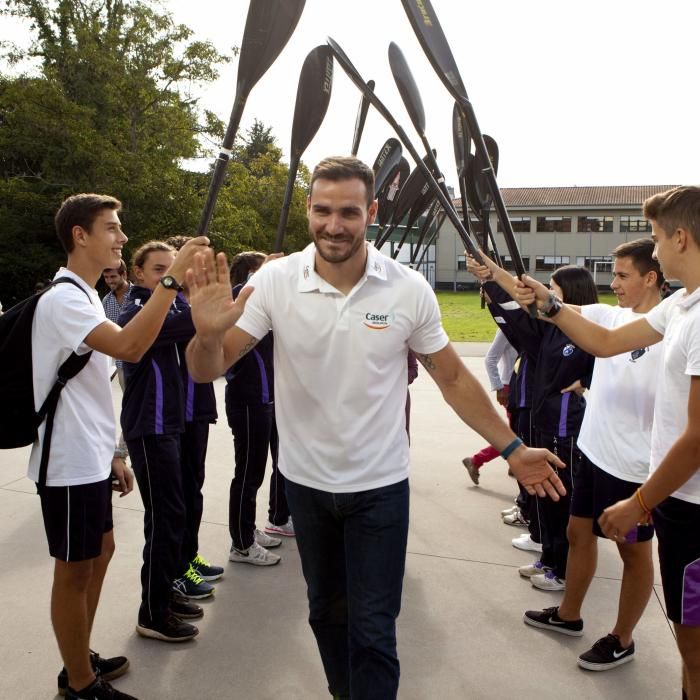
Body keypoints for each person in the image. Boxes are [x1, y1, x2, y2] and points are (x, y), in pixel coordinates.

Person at [185, 156, 566, 699]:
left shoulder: (406, 288)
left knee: (372, 629)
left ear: (372, 211)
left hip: (380, 488)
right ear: (308, 209)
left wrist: (511, 448)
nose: (333, 225)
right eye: (322, 210)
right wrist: (204, 333)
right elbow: (207, 368)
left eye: (348, 211)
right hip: (306, 485)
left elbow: (452, 376)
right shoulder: (275, 281)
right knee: (326, 617)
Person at [513, 186, 700, 700]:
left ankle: (626, 640)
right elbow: (608, 341)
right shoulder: (683, 306)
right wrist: (549, 303)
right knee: (689, 638)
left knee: (695, 642)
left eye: (659, 239)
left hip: (686, 504)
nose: (655, 248)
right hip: (669, 496)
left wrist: (639, 501)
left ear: (680, 238)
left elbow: (698, 438)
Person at [32, 193, 206, 700]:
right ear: (79, 236)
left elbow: (93, 386)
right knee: (74, 570)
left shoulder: (86, 296)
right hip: (64, 460)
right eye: (111, 228)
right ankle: (80, 684)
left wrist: (112, 452)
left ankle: (78, 654)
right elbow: (132, 346)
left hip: (88, 454)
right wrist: (172, 279)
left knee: (100, 552)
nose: (122, 236)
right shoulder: (64, 299)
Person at [518, 239, 663, 671]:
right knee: (579, 534)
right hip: (593, 453)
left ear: (650, 277)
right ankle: (569, 615)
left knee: (634, 554)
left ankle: (623, 638)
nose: (612, 282)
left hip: (636, 467)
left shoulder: (670, 325)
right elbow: (556, 307)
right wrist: (499, 276)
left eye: (622, 275)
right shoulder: (610, 315)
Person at [469, 259, 596, 590]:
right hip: (541, 420)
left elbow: (613, 356)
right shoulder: (549, 329)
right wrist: (492, 284)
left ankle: (563, 569)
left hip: (564, 428)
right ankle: (550, 558)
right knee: (546, 498)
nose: (547, 294)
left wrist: (586, 378)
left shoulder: (588, 327)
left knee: (560, 499)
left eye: (553, 289)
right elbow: (515, 320)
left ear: (571, 293)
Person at [119, 241, 214, 644]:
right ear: (138, 274)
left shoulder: (168, 305)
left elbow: (192, 323)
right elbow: (194, 323)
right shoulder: (136, 310)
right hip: (149, 428)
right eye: (159, 269)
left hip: (169, 426)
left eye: (169, 269)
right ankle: (153, 614)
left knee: (174, 517)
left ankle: (166, 594)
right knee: (163, 520)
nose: (165, 276)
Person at [226, 251, 293, 567]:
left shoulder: (263, 309)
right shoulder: (236, 306)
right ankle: (241, 544)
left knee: (259, 471)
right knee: (248, 474)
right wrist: (263, 275)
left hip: (265, 400)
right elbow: (240, 296)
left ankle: (249, 531)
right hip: (247, 401)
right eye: (261, 274)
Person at [164, 235, 224, 585]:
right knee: (180, 495)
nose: (202, 268)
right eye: (194, 261)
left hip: (198, 408)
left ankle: (189, 556)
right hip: (175, 416)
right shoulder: (169, 304)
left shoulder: (189, 303)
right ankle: (177, 567)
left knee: (194, 488)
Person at [462, 328, 517, 485]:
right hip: (510, 388)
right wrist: (499, 387)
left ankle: (514, 464)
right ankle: (476, 460)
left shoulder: (528, 323)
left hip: (525, 386)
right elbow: (490, 359)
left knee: (519, 431)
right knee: (517, 434)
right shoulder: (506, 329)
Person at [101, 261, 133, 470]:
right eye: (106, 278)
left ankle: (122, 451)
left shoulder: (140, 294)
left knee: (133, 408)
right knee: (130, 407)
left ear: (124, 274)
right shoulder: (106, 300)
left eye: (113, 277)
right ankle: (123, 451)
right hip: (120, 363)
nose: (110, 281)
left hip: (141, 361)